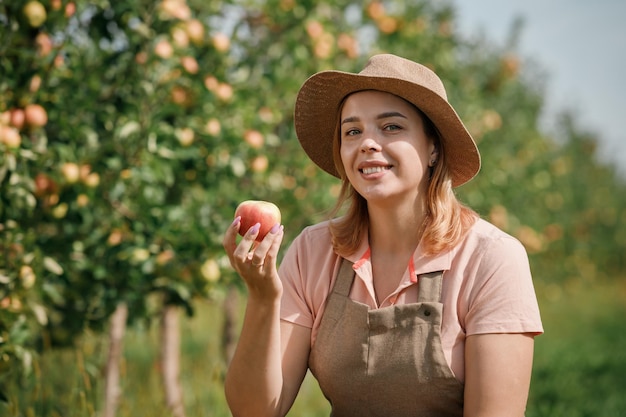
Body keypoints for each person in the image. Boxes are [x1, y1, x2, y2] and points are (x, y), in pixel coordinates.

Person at [222, 53, 543, 417]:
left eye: (391, 127)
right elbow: (254, 412)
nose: (368, 143)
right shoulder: (313, 252)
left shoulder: (490, 258)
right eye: (353, 131)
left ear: (433, 148)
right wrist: (263, 298)